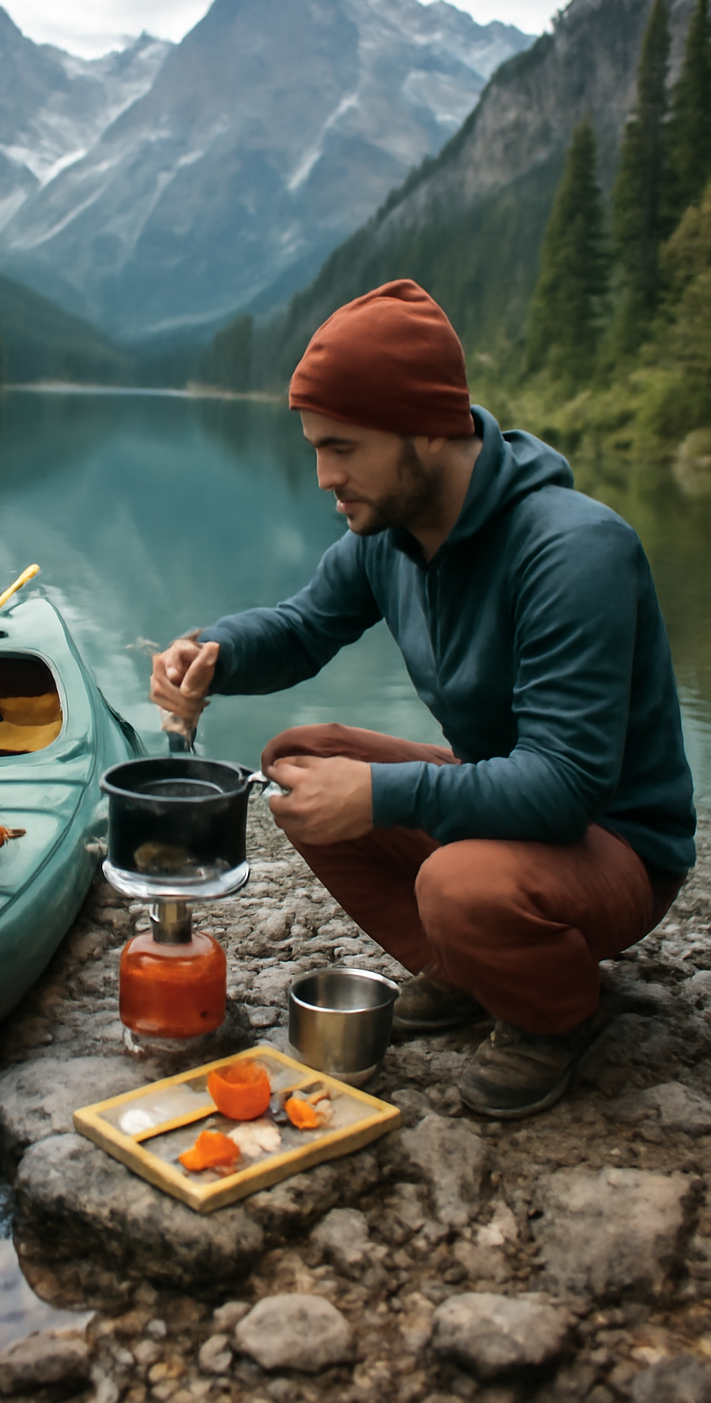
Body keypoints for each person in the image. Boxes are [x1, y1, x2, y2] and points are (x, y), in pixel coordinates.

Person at [149, 279, 696, 1120]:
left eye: (344, 447)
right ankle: (471, 971)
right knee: (298, 762)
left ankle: (555, 1014)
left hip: (612, 844)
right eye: (315, 449)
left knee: (458, 885)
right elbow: (301, 627)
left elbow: (563, 787)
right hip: (515, 810)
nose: (326, 477)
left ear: (428, 428)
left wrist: (379, 796)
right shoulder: (391, 538)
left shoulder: (576, 552)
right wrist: (212, 654)